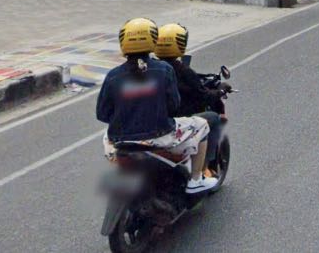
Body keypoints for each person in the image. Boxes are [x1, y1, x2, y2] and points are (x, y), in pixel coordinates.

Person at [96, 18, 216, 194]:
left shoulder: (113, 76)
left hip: (118, 142)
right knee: (203, 125)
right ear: (153, 39)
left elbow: (102, 114)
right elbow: (174, 106)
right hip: (159, 138)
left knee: (107, 134)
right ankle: (196, 180)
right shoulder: (164, 70)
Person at [155, 23, 226, 177]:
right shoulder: (182, 71)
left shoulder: (149, 69)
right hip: (173, 125)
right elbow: (203, 96)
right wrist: (220, 91)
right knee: (212, 119)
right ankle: (202, 171)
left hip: (150, 126)